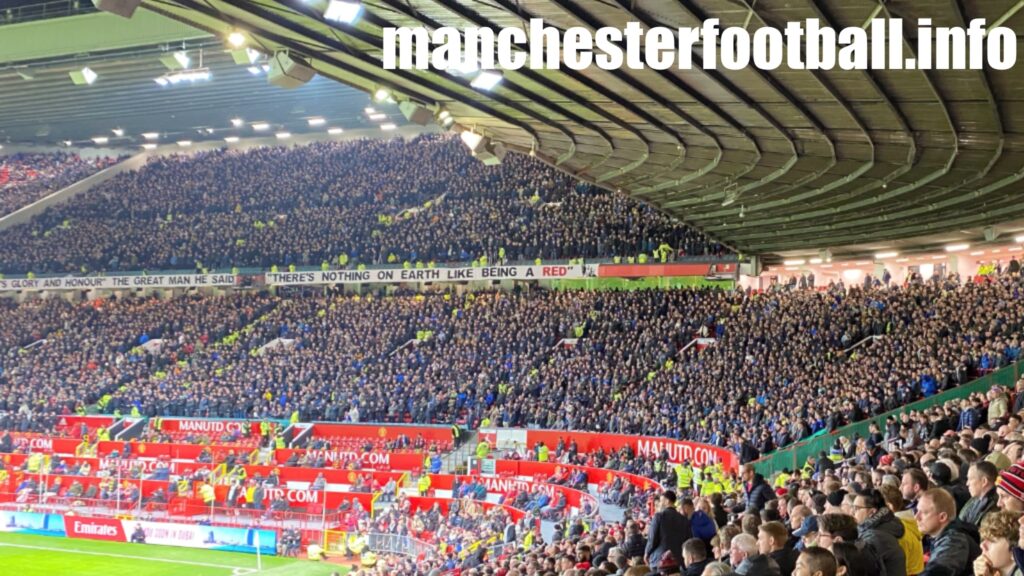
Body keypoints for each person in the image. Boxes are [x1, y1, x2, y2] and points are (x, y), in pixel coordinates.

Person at [916, 488, 981, 576]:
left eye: (924, 512)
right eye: (917, 511)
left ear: (942, 517)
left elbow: (936, 572)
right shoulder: (942, 537)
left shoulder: (956, 540)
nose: (916, 517)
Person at [852, 490, 907, 576]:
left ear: (872, 512)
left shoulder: (874, 537)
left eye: (857, 508)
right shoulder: (886, 523)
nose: (852, 512)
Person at [647, 491, 693, 568]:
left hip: (660, 560)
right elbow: (688, 540)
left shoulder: (658, 517)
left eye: (661, 501)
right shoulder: (684, 519)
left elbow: (652, 539)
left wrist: (647, 553)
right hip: (679, 561)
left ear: (667, 501)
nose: (660, 504)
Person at [961, 462, 1000, 528]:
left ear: (984, 481)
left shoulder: (996, 505)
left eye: (970, 479)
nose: (967, 484)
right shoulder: (974, 499)